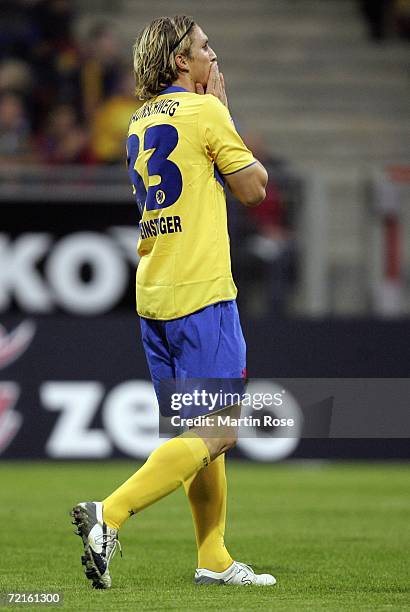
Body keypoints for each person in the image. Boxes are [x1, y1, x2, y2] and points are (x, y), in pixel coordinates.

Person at [71, 15, 275, 589]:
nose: (214, 56)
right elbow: (254, 189)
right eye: (205, 48)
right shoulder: (205, 111)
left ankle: (212, 556)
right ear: (181, 61)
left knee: (196, 433)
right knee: (220, 431)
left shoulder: (138, 120)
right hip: (201, 290)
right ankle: (108, 515)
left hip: (155, 290)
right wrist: (224, 111)